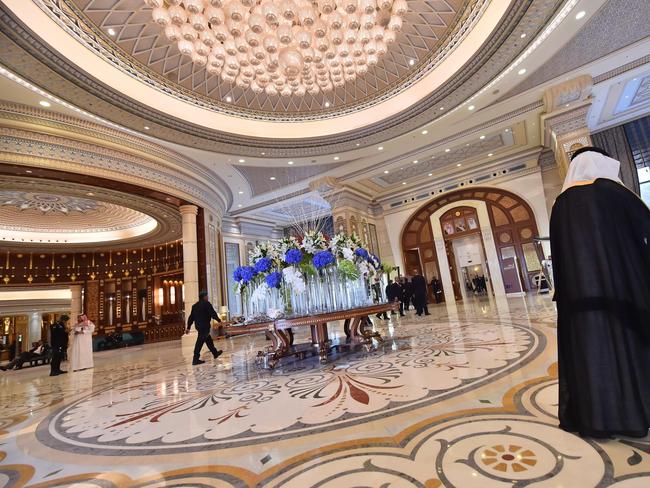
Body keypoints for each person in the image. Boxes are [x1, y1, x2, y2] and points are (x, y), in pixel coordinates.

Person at [550, 146, 650, 438]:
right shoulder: (610, 192)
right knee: (626, 351)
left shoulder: (560, 204)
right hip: (622, 292)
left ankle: (596, 419)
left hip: (578, 302)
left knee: (590, 357)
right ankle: (632, 412)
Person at [186, 291, 223, 365]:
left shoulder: (195, 306)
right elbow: (212, 313)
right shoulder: (206, 304)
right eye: (207, 296)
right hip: (205, 326)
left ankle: (215, 353)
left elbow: (191, 318)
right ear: (204, 297)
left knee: (208, 339)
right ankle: (195, 359)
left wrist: (188, 327)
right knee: (199, 342)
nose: (207, 297)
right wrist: (219, 320)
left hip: (199, 327)